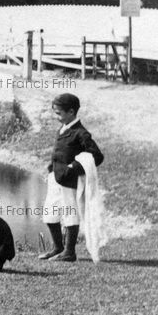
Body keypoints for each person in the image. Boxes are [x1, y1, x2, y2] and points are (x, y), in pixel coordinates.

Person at [38, 93, 104, 262]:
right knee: (49, 213)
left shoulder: (80, 133)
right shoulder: (62, 129)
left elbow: (96, 155)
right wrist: (51, 168)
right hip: (55, 177)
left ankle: (69, 251)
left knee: (69, 212)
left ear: (71, 112)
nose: (56, 116)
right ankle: (57, 247)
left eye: (59, 113)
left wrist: (73, 167)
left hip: (68, 180)